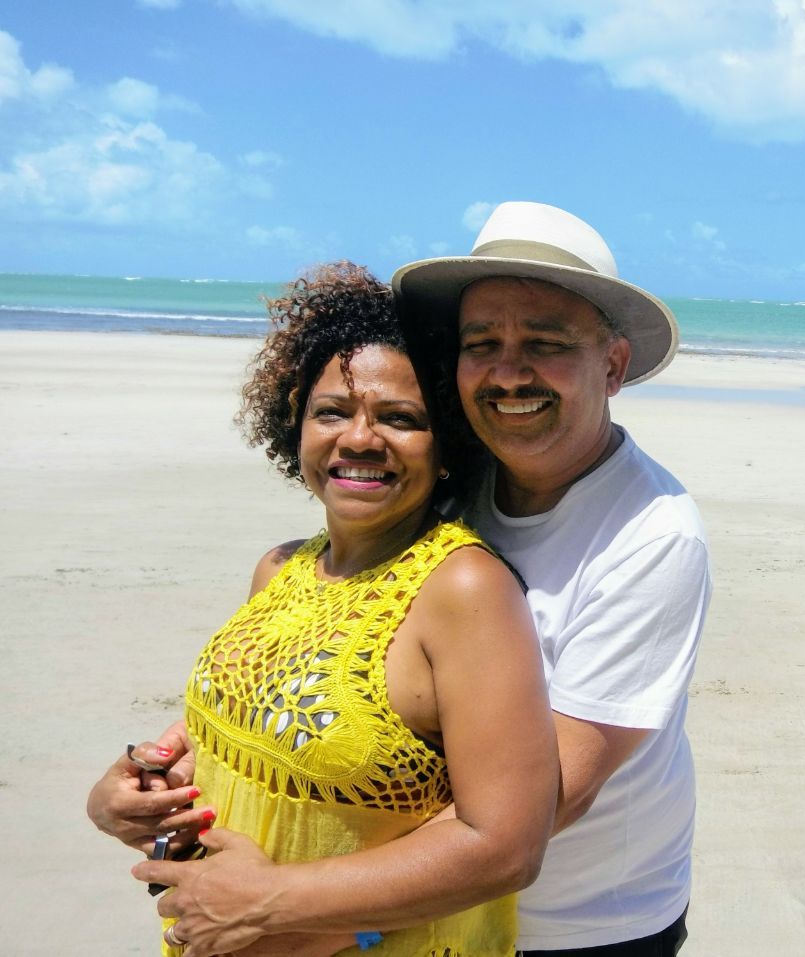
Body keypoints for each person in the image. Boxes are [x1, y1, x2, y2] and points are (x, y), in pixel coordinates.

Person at [88, 262, 559, 957]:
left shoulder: (462, 589)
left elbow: (505, 847)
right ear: (296, 426)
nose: (360, 438)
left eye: (401, 418)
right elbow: (255, 756)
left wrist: (271, 904)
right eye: (332, 412)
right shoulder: (280, 569)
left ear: (449, 446)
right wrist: (138, 797)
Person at [393, 202, 711, 955]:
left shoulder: (652, 536)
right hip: (428, 903)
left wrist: (318, 906)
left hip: (582, 925)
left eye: (545, 343)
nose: (509, 372)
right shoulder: (450, 482)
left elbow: (546, 801)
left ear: (613, 366)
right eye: (482, 344)